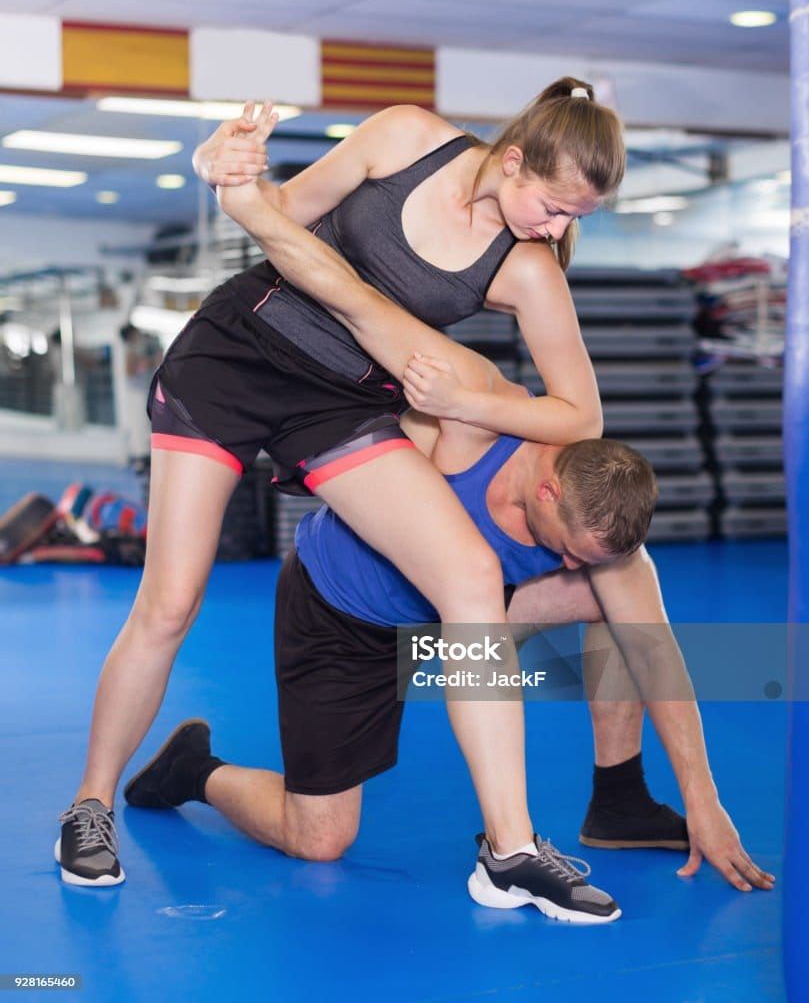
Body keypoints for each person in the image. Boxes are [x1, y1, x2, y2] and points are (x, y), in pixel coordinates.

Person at [121, 196, 773, 920]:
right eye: (562, 551)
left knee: (624, 601)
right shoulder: (465, 420)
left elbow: (660, 662)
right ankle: (193, 768)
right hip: (342, 615)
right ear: (549, 491)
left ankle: (616, 801)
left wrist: (704, 802)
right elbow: (344, 402)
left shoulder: (596, 516)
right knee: (320, 839)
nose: (565, 568)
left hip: (460, 619)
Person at [58, 78, 625, 886]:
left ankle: (511, 849)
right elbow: (279, 213)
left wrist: (469, 398)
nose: (559, 227)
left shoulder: (525, 270)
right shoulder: (404, 139)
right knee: (171, 601)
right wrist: (226, 169)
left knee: (468, 574)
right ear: (512, 159)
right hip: (235, 356)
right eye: (554, 204)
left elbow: (582, 418)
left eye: (578, 218)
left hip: (340, 401)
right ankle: (90, 805)